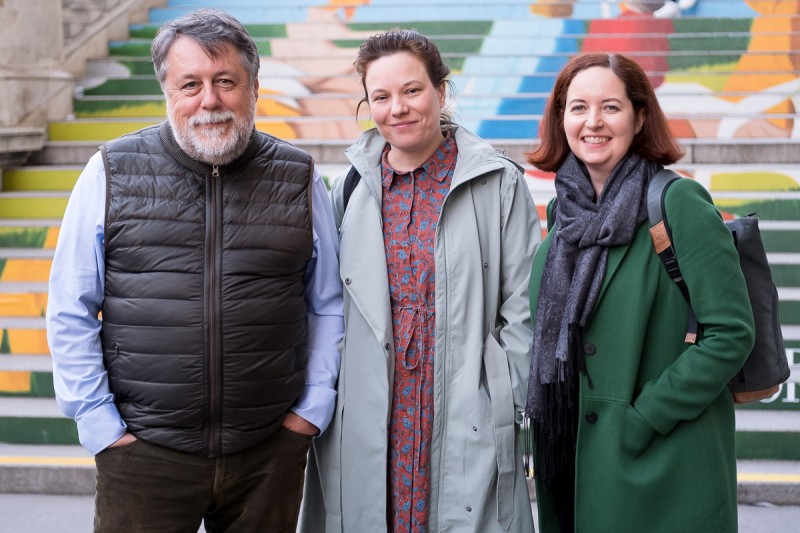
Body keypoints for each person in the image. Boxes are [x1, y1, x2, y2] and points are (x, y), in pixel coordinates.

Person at [45, 8, 344, 532]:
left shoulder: (299, 176)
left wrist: (309, 413)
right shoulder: (110, 171)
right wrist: (100, 425)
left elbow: (327, 303)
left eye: (226, 81)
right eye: (191, 84)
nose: (210, 100)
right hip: (144, 455)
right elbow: (69, 307)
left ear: (253, 87)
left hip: (268, 451)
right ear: (168, 90)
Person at [299, 29, 542, 533]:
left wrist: (504, 397)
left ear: (441, 91)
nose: (398, 109)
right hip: (372, 408)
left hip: (462, 404)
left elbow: (523, 305)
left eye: (412, 90)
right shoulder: (350, 186)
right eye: (381, 97)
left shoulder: (497, 182)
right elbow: (328, 301)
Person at [524, 52, 755, 532]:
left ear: (639, 116)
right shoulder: (562, 221)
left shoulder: (678, 203)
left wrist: (644, 417)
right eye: (578, 107)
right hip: (572, 466)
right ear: (560, 118)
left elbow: (730, 333)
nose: (593, 122)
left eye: (610, 107)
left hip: (662, 469)